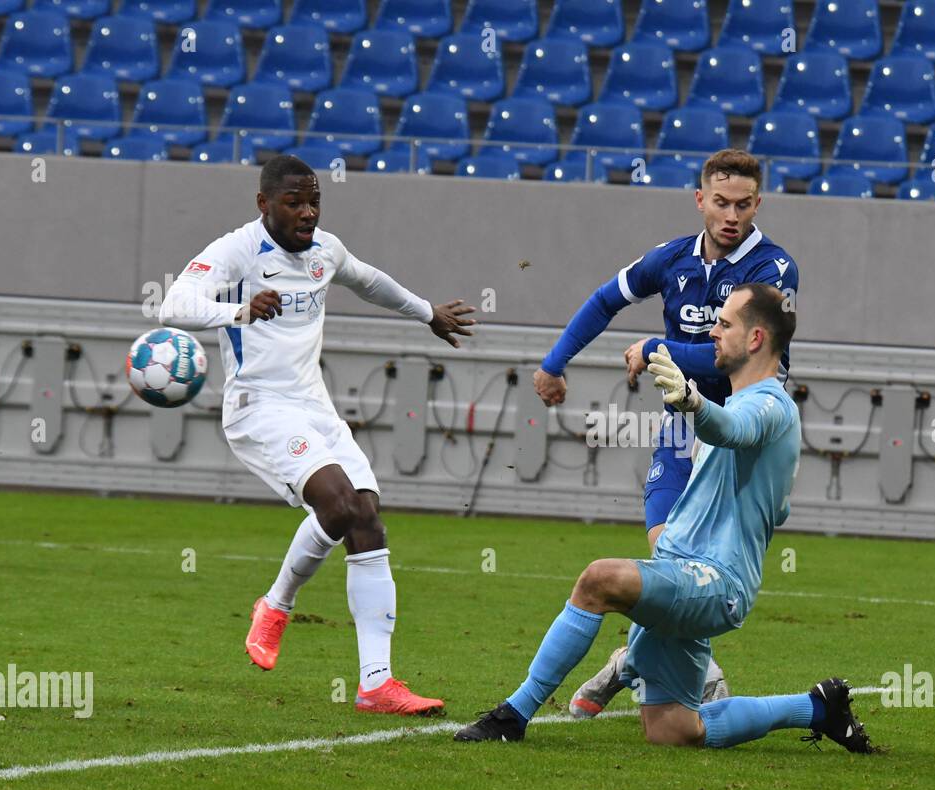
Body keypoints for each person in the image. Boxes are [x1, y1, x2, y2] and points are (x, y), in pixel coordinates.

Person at [455, 284, 871, 754]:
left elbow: (734, 429)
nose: (712, 332)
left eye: (725, 324)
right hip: (688, 571)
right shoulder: (748, 403)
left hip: (714, 581)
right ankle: (817, 708)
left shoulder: (768, 404)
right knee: (673, 730)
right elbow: (766, 491)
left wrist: (693, 402)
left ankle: (514, 714)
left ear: (755, 339)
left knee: (599, 580)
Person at [158, 154, 476, 715]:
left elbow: (370, 282)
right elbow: (173, 303)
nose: (307, 212)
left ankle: (376, 683)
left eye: (314, 201)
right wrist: (236, 311)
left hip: (313, 407)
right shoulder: (238, 250)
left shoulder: (325, 250)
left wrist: (427, 312)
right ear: (264, 205)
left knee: (365, 517)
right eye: (294, 202)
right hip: (258, 408)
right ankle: (278, 606)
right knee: (339, 501)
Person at [531, 149, 800, 718]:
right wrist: (555, 364)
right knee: (664, 555)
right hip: (681, 430)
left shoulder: (772, 271)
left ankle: (633, 664)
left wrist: (658, 349)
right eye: (721, 202)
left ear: (759, 203)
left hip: (739, 439)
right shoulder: (672, 259)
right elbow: (606, 300)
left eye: (743, 204)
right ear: (700, 199)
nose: (731, 215)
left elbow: (725, 357)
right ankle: (662, 668)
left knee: (685, 572)